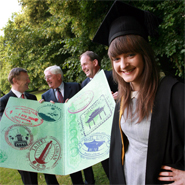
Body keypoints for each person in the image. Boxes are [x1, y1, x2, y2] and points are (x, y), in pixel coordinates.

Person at [92, 0, 184, 184]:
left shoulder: (174, 93)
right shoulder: (123, 98)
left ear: (145, 54)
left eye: (130, 55)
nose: (123, 65)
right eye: (116, 58)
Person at [39, 65, 84, 185]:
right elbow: (46, 121)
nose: (47, 80)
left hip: (78, 130)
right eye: (45, 78)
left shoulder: (75, 87)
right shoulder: (45, 96)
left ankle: (88, 181)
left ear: (58, 76)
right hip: (61, 136)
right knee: (70, 161)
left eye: (49, 76)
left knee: (83, 160)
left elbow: (84, 104)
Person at [80, 51, 118, 184]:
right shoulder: (84, 84)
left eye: (85, 64)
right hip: (100, 132)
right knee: (108, 166)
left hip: (118, 128)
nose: (83, 68)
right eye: (82, 65)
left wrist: (121, 95)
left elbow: (130, 91)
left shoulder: (112, 75)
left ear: (95, 62)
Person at [0, 67, 38, 184]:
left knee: (34, 177)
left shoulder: (32, 98)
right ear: (15, 80)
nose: (29, 81)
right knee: (28, 180)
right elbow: (4, 125)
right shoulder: (4, 101)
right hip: (18, 148)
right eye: (26, 78)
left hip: (35, 145)